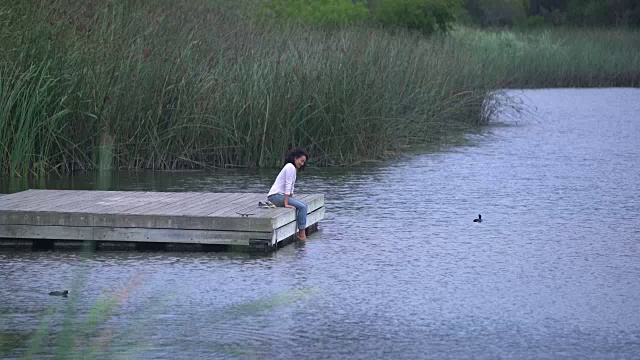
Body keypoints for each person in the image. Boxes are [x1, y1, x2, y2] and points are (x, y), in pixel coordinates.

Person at [267, 149, 308, 241]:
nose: (302, 164)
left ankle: (300, 233)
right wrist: (286, 203)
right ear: (295, 158)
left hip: (279, 196)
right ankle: (302, 235)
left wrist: (291, 200)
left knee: (303, 206)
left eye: (303, 162)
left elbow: (291, 187)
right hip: (275, 196)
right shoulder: (290, 167)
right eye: (301, 161)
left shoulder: (293, 169)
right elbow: (288, 185)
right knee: (303, 207)